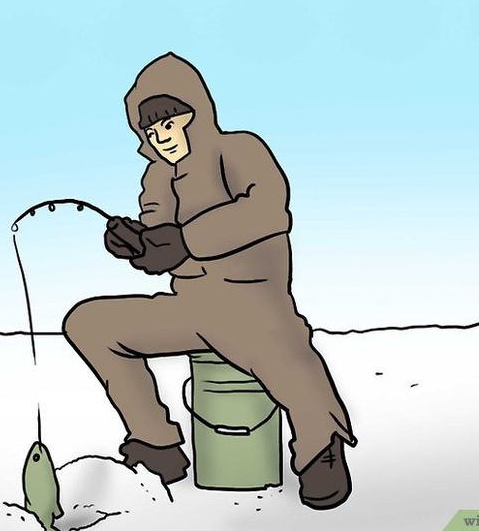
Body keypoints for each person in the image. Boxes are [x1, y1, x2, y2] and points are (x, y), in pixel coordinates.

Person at [62, 53, 358, 510]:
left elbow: (267, 211)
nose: (162, 138)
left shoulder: (239, 150)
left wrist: (187, 239)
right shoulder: (156, 178)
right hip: (189, 307)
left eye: (170, 123)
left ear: (195, 115)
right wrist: (137, 244)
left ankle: (321, 447)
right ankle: (155, 443)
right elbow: (161, 243)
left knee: (286, 356)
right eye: (151, 131)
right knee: (90, 322)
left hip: (254, 304)